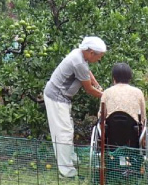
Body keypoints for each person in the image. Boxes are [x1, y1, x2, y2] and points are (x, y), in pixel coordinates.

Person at [44, 36, 106, 178]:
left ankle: (70, 159)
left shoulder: (80, 54)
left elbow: (88, 73)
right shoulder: (78, 62)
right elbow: (89, 89)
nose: (99, 60)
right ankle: (67, 172)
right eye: (99, 57)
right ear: (91, 52)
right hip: (57, 98)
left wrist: (98, 86)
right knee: (64, 133)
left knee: (67, 129)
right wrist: (106, 96)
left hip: (62, 98)